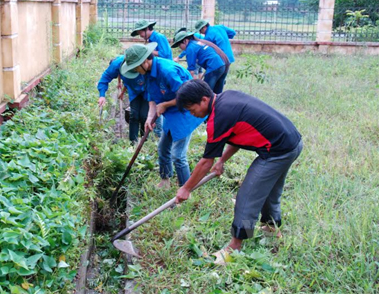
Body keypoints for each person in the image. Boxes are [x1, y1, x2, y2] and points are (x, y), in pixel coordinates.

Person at [175, 79, 303, 258]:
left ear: (203, 100)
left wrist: (186, 188)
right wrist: (222, 161)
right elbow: (237, 136)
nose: (192, 114)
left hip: (278, 151)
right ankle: (272, 230)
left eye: (191, 109)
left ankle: (236, 246)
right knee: (271, 191)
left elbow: (205, 162)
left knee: (248, 195)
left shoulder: (218, 117)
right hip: (292, 142)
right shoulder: (226, 98)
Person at [120, 43, 204, 189]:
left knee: (178, 155)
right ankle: (165, 181)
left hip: (186, 112)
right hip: (171, 114)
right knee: (163, 148)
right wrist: (150, 117)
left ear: (145, 61)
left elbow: (188, 97)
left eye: (135, 67)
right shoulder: (146, 73)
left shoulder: (167, 71)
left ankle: (186, 190)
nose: (135, 71)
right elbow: (152, 98)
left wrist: (165, 105)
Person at [97, 55, 149, 144]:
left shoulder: (147, 62)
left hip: (148, 90)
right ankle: (133, 141)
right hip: (133, 91)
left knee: (144, 116)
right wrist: (102, 95)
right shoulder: (117, 65)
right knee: (134, 114)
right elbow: (105, 78)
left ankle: (144, 140)